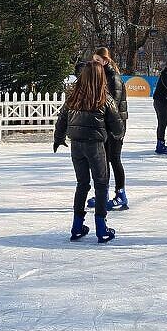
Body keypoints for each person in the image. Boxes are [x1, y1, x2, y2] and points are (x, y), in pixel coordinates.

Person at [53, 62, 124, 243]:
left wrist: (58, 138)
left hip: (76, 146)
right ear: (101, 77)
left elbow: (61, 119)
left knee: (82, 184)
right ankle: (101, 228)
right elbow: (117, 126)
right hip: (95, 146)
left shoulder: (73, 96)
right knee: (101, 184)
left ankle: (77, 226)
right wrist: (116, 133)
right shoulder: (105, 98)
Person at [91, 47, 130, 210]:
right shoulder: (102, 76)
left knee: (114, 159)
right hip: (105, 125)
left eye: (97, 61)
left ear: (105, 61)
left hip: (116, 126)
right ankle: (103, 193)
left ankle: (121, 194)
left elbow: (111, 105)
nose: (94, 64)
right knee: (104, 160)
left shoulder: (113, 78)